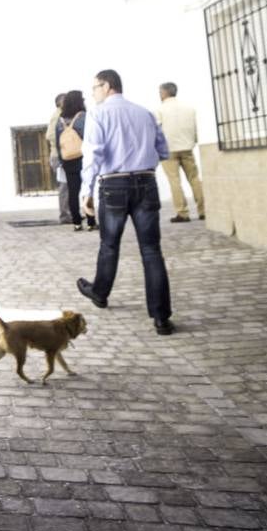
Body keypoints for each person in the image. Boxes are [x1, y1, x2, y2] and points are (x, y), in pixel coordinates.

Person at [75, 69, 175, 335]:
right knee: (151, 250)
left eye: (95, 87)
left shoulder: (99, 113)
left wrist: (86, 192)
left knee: (109, 245)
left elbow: (93, 153)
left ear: (107, 86)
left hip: (114, 185)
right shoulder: (145, 113)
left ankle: (100, 293)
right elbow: (163, 150)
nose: (93, 93)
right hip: (146, 182)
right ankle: (161, 317)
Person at [156, 82, 205, 223]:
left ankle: (182, 213)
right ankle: (203, 210)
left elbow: (158, 132)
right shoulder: (189, 108)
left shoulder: (160, 110)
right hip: (187, 148)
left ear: (164, 93)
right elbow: (195, 129)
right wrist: (193, 142)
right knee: (194, 178)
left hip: (169, 150)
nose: (159, 94)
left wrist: (158, 149)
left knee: (174, 181)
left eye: (160, 92)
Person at [55, 90, 96, 231]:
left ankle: (77, 223)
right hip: (82, 158)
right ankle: (91, 221)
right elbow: (89, 138)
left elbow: (57, 142)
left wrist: (62, 160)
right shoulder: (82, 117)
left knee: (73, 191)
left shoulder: (60, 120)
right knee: (87, 190)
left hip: (67, 160)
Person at [45, 93, 72, 223]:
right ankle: (65, 215)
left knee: (70, 185)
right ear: (60, 103)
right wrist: (64, 142)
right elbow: (49, 135)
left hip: (63, 154)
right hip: (59, 155)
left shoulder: (64, 115)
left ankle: (70, 213)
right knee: (65, 186)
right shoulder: (58, 115)